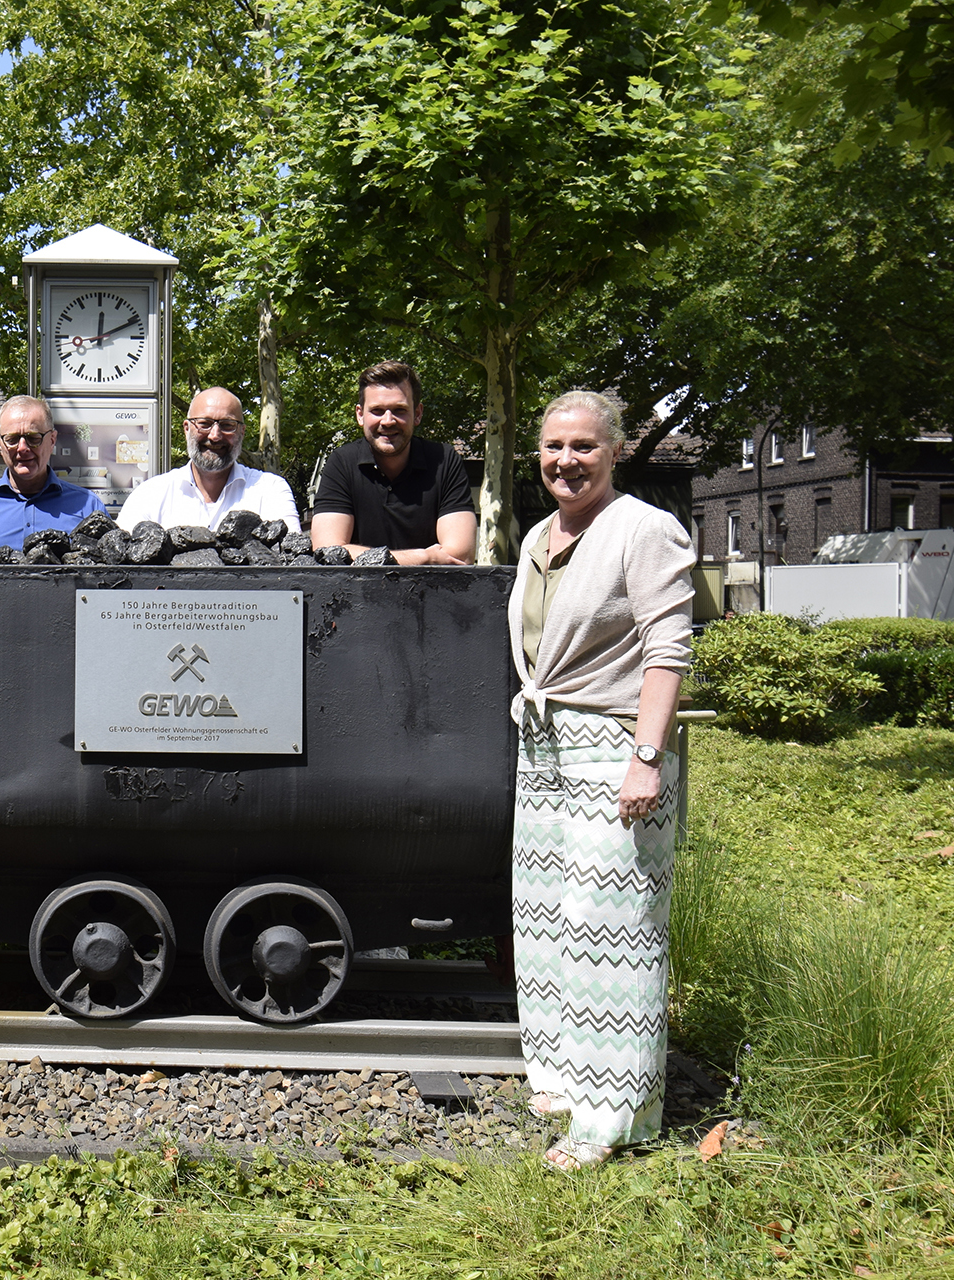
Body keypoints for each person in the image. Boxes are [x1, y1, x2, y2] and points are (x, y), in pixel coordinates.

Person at [506, 390, 693, 1170]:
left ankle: (610, 1119)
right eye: (553, 446)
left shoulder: (644, 529)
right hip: (545, 751)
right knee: (547, 923)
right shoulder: (539, 537)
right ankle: (560, 1083)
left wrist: (646, 758)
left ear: (614, 450)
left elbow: (668, 649)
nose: (566, 460)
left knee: (608, 934)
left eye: (584, 446)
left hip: (615, 751)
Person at [309, 359, 476, 563]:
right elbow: (327, 552)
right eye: (377, 411)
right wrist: (423, 557)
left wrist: (363, 557)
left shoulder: (444, 460)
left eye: (399, 410)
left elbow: (460, 555)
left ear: (418, 414)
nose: (388, 421)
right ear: (360, 415)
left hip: (432, 593)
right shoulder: (341, 463)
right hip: (356, 594)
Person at [0, 395, 104, 564]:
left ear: (52, 440)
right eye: (12, 439)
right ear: (0, 444)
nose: (22, 448)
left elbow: (113, 582)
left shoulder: (88, 508)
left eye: (33, 438)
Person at [115, 387, 301, 532]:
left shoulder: (271, 491)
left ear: (242, 432)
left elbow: (289, 565)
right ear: (187, 428)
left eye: (227, 425)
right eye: (204, 424)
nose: (215, 436)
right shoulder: (150, 495)